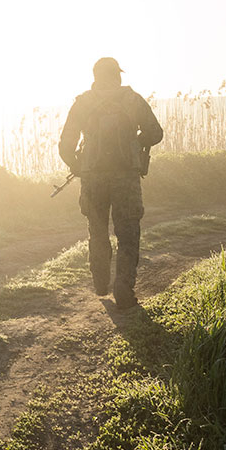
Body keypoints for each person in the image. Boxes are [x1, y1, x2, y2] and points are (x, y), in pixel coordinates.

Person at [58, 57, 164, 311]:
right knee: (127, 233)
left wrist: (77, 166)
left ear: (95, 76)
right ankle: (124, 287)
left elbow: (65, 145)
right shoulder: (132, 99)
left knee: (97, 230)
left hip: (93, 179)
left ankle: (101, 283)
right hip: (125, 178)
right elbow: (156, 133)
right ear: (117, 75)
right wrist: (135, 143)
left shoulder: (82, 103)